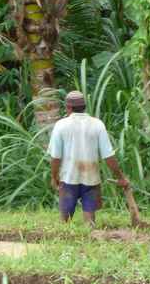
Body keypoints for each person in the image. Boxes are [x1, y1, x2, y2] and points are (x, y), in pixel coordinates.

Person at [48, 90, 129, 226]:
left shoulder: (61, 125)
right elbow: (108, 156)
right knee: (90, 222)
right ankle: (90, 238)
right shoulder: (97, 124)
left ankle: (64, 241)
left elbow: (56, 157)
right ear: (85, 106)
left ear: (68, 108)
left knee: (64, 222)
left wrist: (54, 176)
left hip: (68, 178)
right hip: (91, 178)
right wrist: (120, 177)